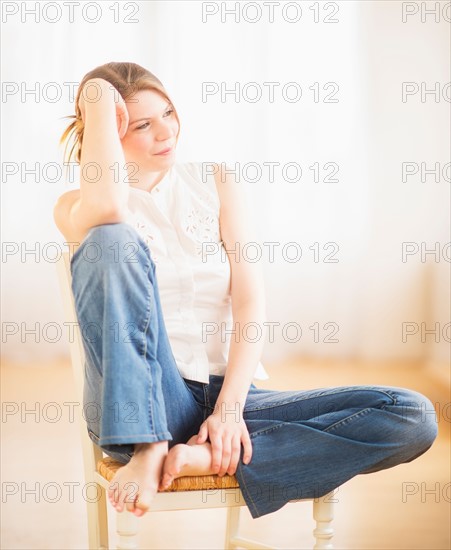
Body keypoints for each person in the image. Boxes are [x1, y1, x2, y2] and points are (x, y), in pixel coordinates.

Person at [54, 62, 438, 520]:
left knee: (411, 415)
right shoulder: (78, 206)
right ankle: (150, 444)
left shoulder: (216, 181)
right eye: (142, 124)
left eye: (169, 114)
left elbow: (250, 302)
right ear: (106, 133)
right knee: (111, 240)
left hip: (229, 396)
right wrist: (96, 97)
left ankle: (209, 453)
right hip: (142, 403)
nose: (166, 132)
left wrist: (229, 412)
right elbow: (109, 206)